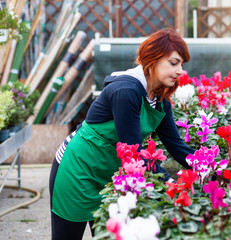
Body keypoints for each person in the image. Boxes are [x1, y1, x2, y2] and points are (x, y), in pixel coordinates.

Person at [49, 28, 195, 240]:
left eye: (182, 64)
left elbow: (177, 147)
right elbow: (134, 151)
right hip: (78, 169)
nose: (180, 70)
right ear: (152, 60)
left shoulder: (159, 99)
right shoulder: (127, 90)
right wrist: (171, 184)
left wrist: (212, 171)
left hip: (111, 176)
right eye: (174, 63)